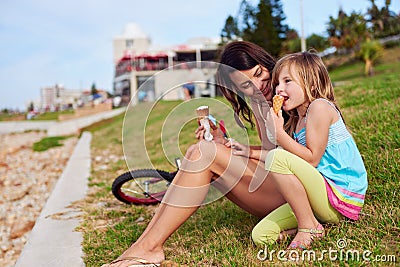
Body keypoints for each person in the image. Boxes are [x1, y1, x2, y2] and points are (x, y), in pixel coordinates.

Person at [101, 42, 341, 266]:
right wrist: (224, 144)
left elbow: (302, 158)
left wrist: (223, 151)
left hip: (308, 193)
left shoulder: (303, 97)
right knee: (201, 150)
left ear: (267, 63)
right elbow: (272, 155)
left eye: (259, 74)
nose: (259, 86)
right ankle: (144, 245)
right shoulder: (260, 106)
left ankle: (149, 248)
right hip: (284, 187)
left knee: (205, 153)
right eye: (246, 85)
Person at [253, 51, 368, 252]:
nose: (279, 89)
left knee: (276, 156)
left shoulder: (320, 107)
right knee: (261, 235)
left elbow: (312, 159)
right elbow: (284, 159)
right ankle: (313, 224)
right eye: (277, 83)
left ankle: (309, 227)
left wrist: (279, 134)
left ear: (312, 83)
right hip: (318, 198)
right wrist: (242, 151)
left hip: (339, 195)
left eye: (287, 81)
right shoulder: (297, 122)